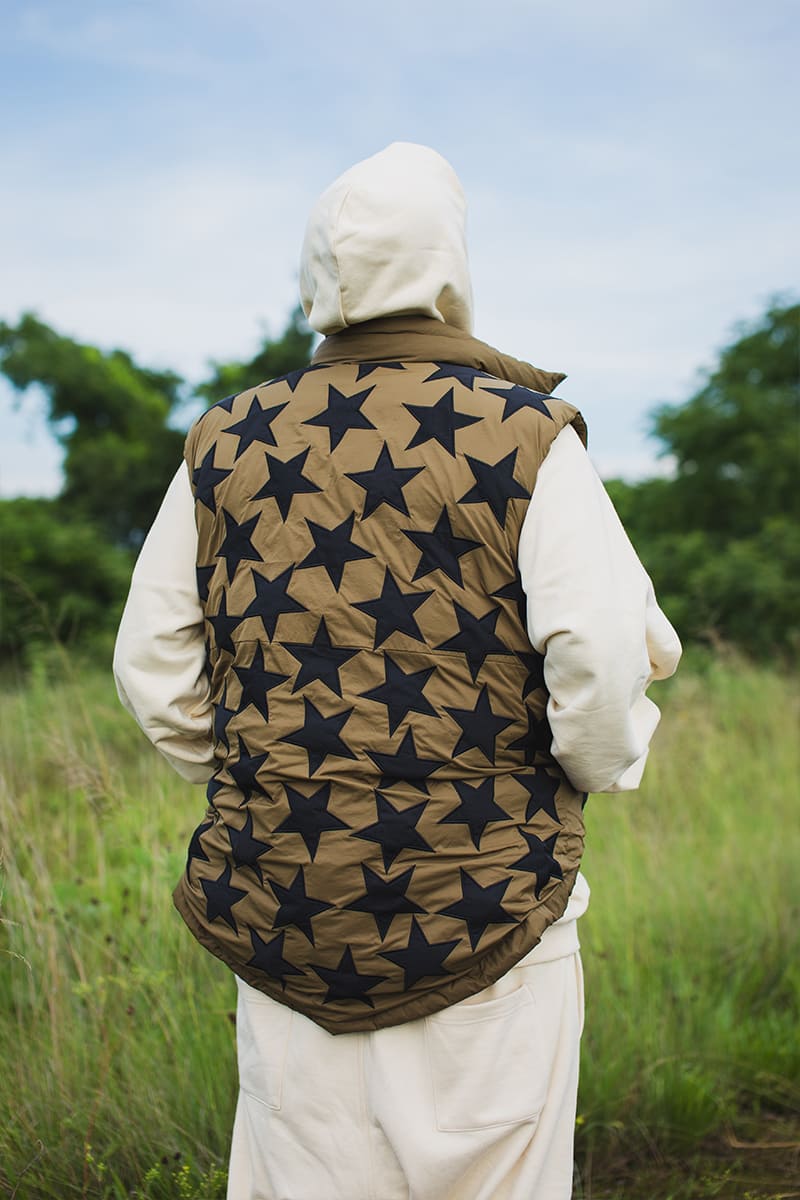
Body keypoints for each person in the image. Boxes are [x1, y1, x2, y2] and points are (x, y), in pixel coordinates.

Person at [113, 142, 681, 1200]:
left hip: (281, 908)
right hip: (498, 907)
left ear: (316, 273)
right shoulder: (525, 434)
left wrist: (271, 775)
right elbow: (600, 662)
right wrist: (585, 772)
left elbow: (152, 667)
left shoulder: (224, 442)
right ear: (449, 262)